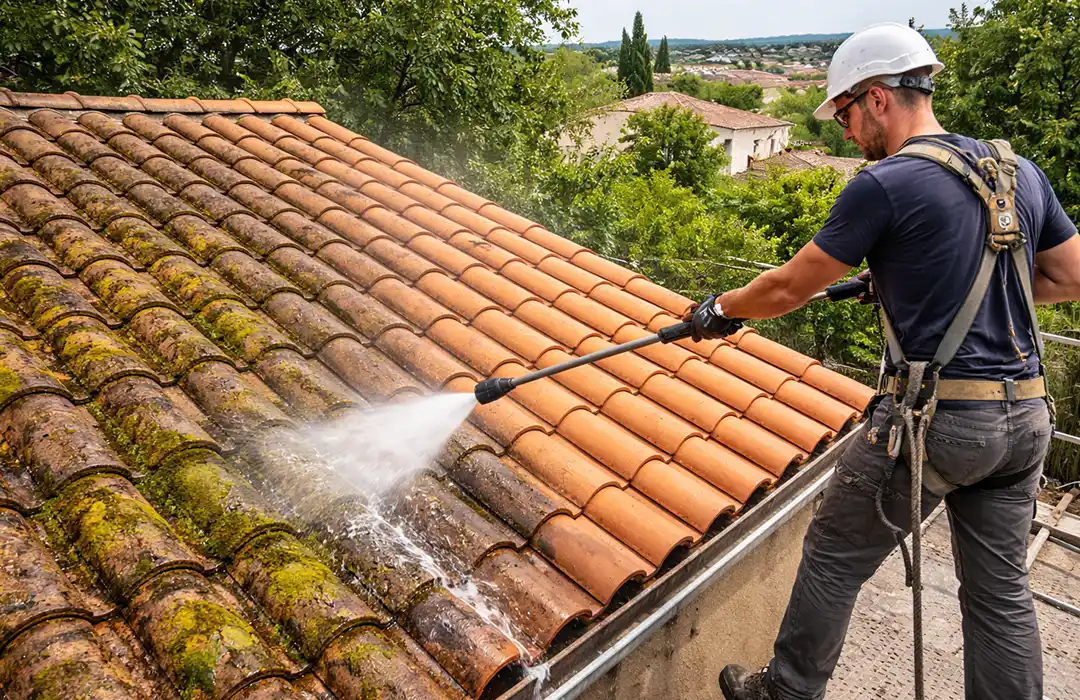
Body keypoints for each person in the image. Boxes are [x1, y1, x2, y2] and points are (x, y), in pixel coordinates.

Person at [684, 22, 1080, 700]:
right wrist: (919, 283)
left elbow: (787, 286)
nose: (843, 132)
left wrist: (721, 309)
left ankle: (785, 689)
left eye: (843, 113)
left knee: (835, 553)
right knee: (1000, 595)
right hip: (1024, 424)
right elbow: (1068, 277)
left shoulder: (886, 184)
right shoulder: (1014, 171)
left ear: (876, 99)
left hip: (939, 423)